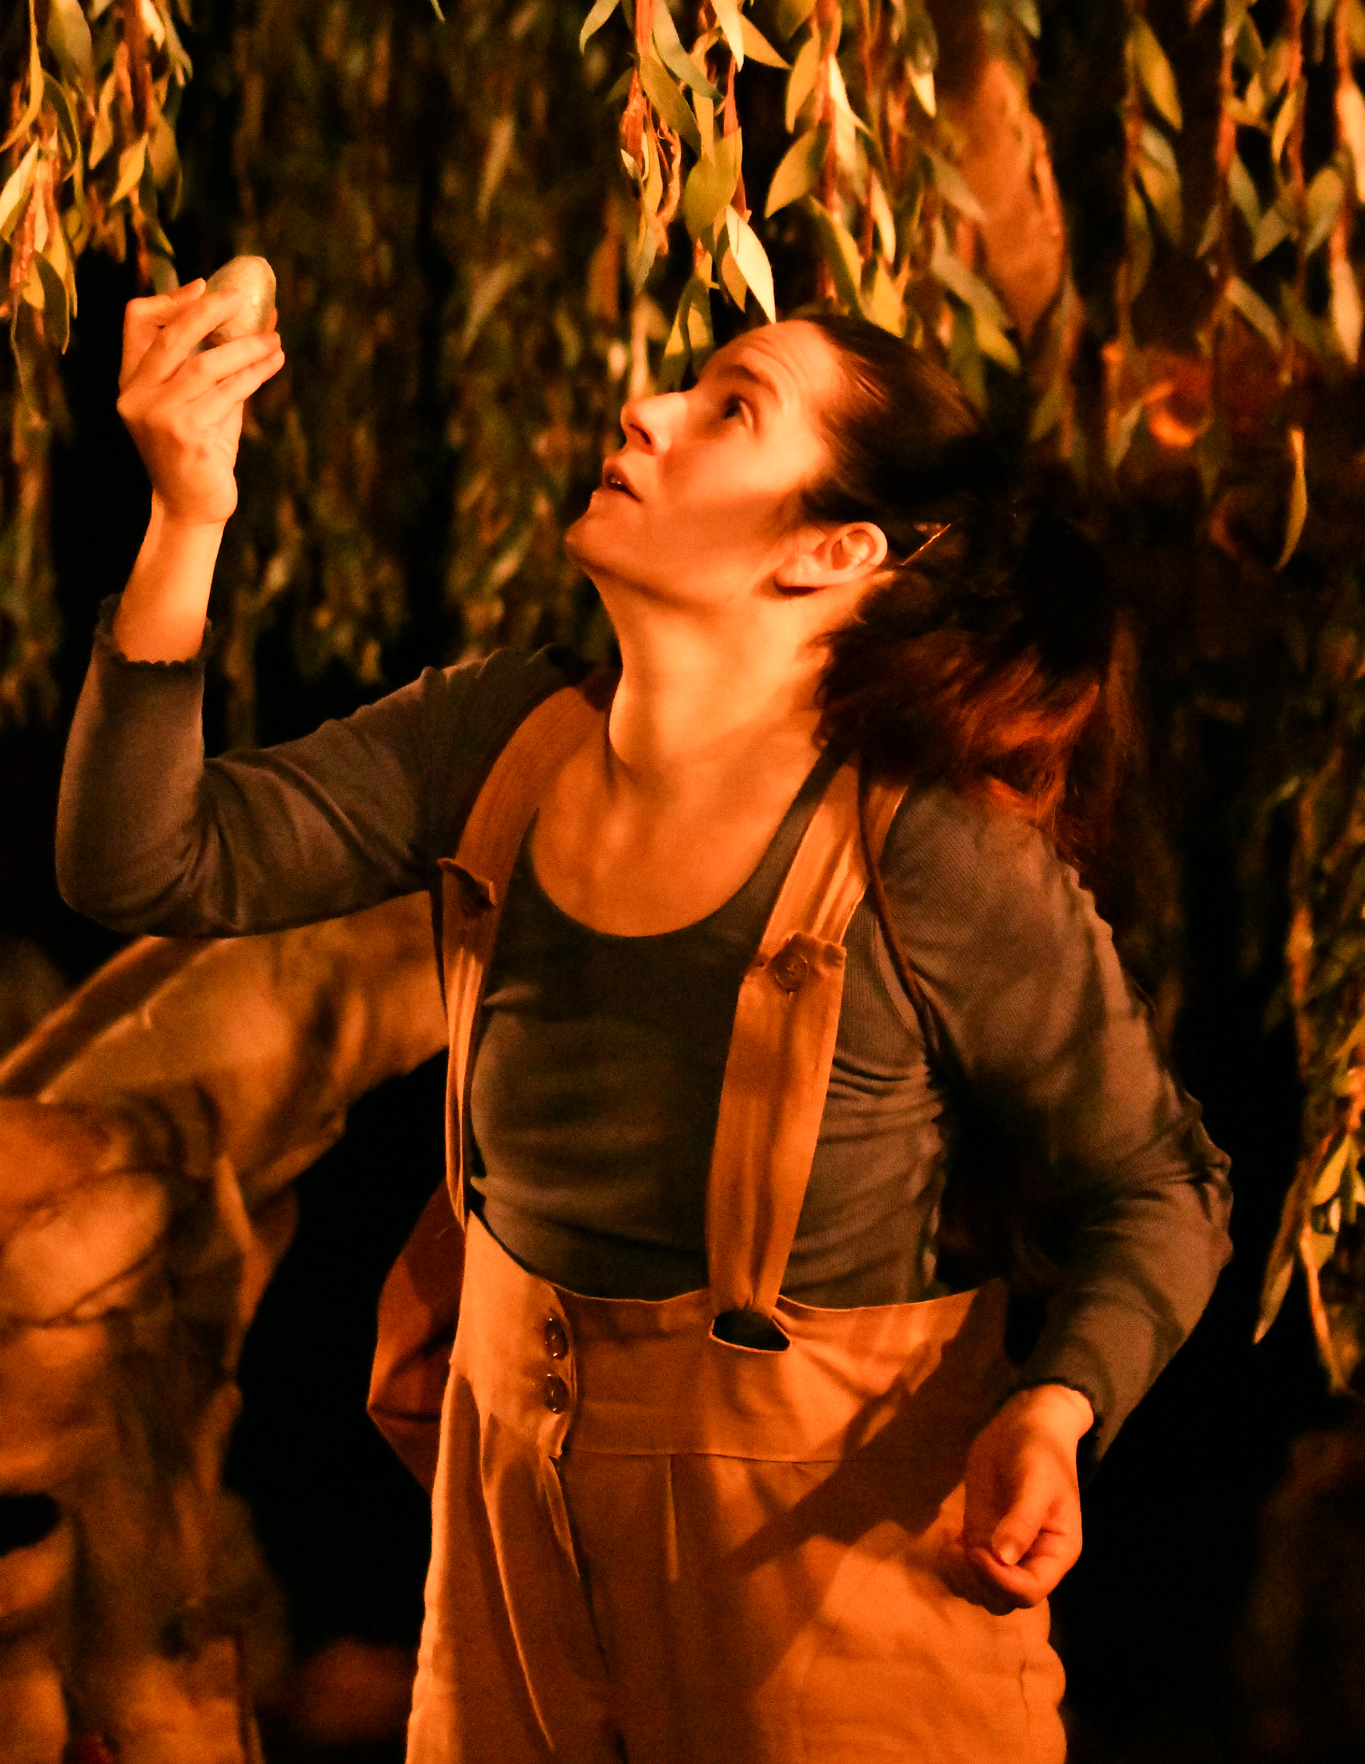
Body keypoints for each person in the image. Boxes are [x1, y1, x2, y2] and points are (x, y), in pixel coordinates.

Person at [57, 277, 1232, 1763]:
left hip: (825, 1587)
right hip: (511, 1571)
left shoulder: (924, 853)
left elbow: (1157, 1183)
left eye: (730, 408)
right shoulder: (496, 740)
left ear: (833, 550)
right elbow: (141, 862)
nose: (646, 408)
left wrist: (1058, 1406)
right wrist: (187, 515)